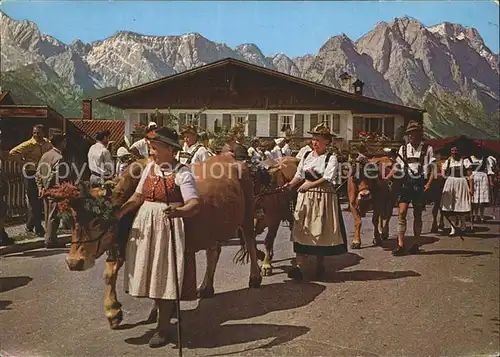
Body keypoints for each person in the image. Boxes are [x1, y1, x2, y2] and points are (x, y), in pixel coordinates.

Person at [116, 127, 200, 348]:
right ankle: (164, 316)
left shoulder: (182, 172)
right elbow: (138, 196)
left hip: (167, 226)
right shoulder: (150, 168)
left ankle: (163, 329)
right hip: (145, 224)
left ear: (169, 149)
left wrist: (179, 212)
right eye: (151, 148)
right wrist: (118, 212)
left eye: (155, 148)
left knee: (165, 277)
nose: (151, 152)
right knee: (153, 274)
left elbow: (194, 203)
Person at [283, 123, 347, 280]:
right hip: (305, 198)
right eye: (313, 139)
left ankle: (319, 264)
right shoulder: (305, 156)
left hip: (322, 197)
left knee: (320, 229)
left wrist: (309, 185)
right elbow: (299, 175)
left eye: (318, 140)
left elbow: (327, 177)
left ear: (327, 142)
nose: (314, 143)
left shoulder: (330, 158)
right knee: (300, 228)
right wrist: (290, 184)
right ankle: (299, 267)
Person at [385, 120, 436, 256]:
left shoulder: (427, 149)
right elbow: (397, 166)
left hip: (419, 184)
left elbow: (433, 169)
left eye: (414, 133)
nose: (411, 136)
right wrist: (387, 177)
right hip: (406, 183)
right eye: (409, 134)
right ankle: (400, 245)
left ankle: (416, 244)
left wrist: (428, 184)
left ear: (420, 134)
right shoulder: (403, 149)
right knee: (401, 213)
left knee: (417, 214)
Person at [9, 124, 53, 236]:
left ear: (43, 133)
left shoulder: (47, 143)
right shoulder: (28, 144)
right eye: (34, 133)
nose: (36, 135)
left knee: (41, 199)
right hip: (31, 173)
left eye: (38, 133)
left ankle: (30, 225)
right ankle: (38, 227)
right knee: (34, 200)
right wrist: (24, 162)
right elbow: (12, 153)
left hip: (43, 173)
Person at [35, 133, 70, 248]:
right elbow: (56, 176)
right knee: (53, 216)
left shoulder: (45, 155)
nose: (65, 144)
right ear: (60, 143)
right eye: (64, 142)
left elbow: (38, 173)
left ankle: (49, 237)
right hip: (54, 190)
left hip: (45, 189)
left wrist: (41, 187)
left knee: (47, 216)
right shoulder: (58, 158)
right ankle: (50, 240)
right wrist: (56, 188)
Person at [440, 146, 473, 236]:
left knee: (461, 204)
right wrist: (446, 177)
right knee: (451, 206)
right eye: (452, 151)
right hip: (451, 183)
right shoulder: (448, 161)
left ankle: (463, 225)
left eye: (456, 150)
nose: (454, 152)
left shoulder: (465, 161)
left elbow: (470, 175)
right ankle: (453, 228)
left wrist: (471, 188)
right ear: (450, 152)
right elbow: (443, 171)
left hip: (462, 183)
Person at [469, 145, 494, 223]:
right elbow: (468, 171)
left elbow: (489, 171)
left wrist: (491, 182)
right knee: (475, 199)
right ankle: (476, 216)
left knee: (482, 200)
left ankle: (482, 216)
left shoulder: (485, 159)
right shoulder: (470, 159)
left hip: (483, 178)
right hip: (474, 178)